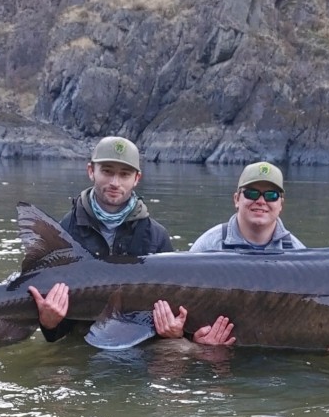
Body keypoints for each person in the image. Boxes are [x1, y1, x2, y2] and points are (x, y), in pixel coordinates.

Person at [29, 136, 173, 342]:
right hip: (81, 339)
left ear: (136, 179)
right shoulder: (65, 230)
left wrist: (172, 332)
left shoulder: (157, 236)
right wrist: (49, 323)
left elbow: (167, 310)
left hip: (136, 343)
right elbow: (56, 333)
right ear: (91, 171)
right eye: (107, 171)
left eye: (124, 174)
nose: (115, 182)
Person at [152, 161, 304, 344]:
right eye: (251, 193)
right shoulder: (208, 244)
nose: (261, 201)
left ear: (281, 205)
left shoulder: (298, 253)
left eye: (271, 195)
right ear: (236, 199)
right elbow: (181, 307)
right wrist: (192, 338)